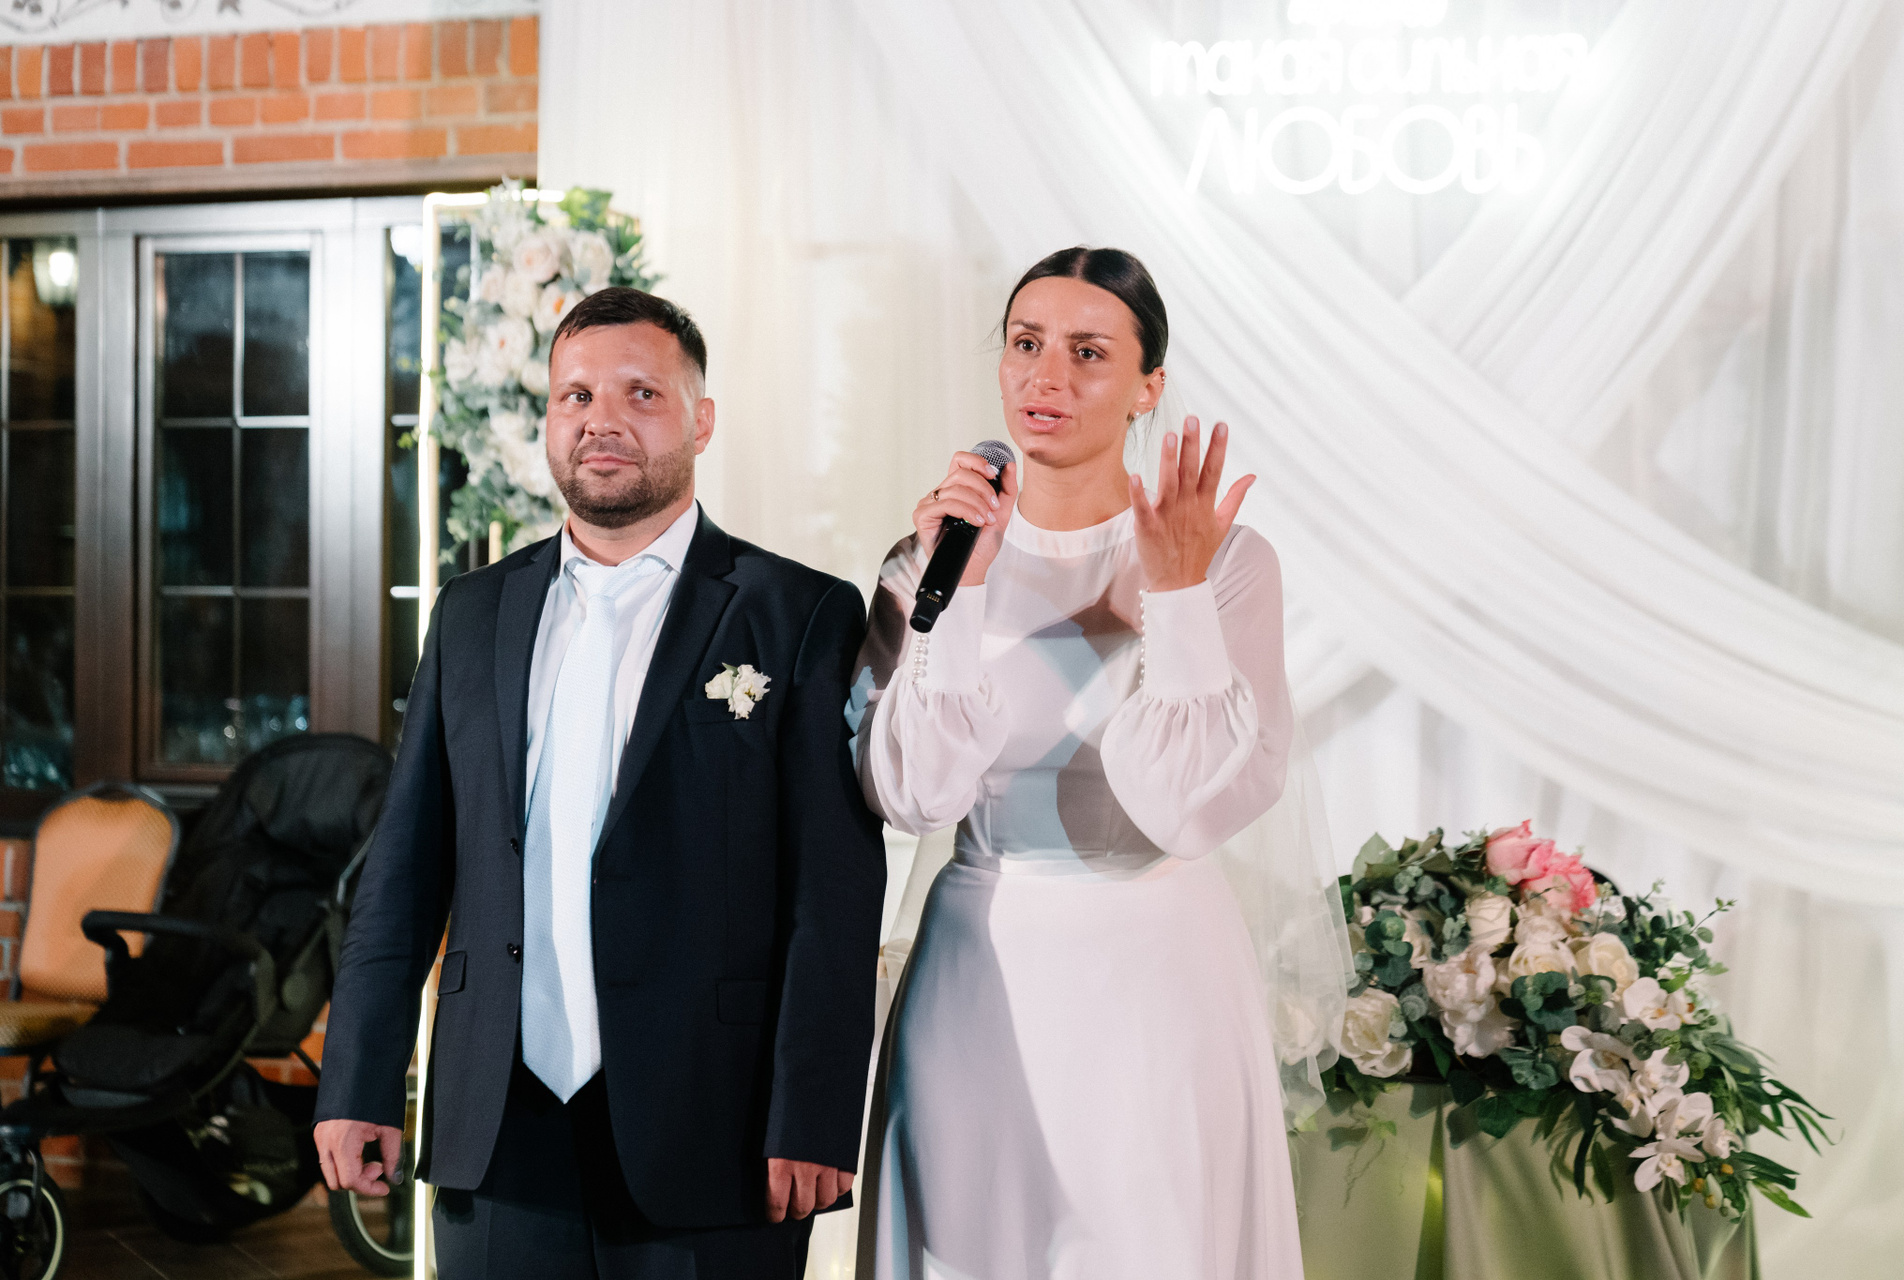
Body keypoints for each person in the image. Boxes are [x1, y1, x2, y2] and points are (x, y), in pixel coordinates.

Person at [314, 287, 887, 1279]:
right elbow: (403, 873)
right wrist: (358, 1078)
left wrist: (817, 1111)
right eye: (575, 395)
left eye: (640, 393)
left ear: (702, 420)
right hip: (498, 1124)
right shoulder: (471, 613)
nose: (601, 419)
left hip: (716, 1125)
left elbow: (830, 893)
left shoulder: (797, 612)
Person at [852, 247, 1311, 1278]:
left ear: (1150, 385)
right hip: (980, 965)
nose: (1045, 376)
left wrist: (1178, 592)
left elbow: (1185, 808)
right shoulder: (928, 558)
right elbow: (912, 793)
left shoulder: (1228, 561)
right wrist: (963, 588)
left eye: (1088, 352)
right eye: (1025, 344)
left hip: (1155, 968)